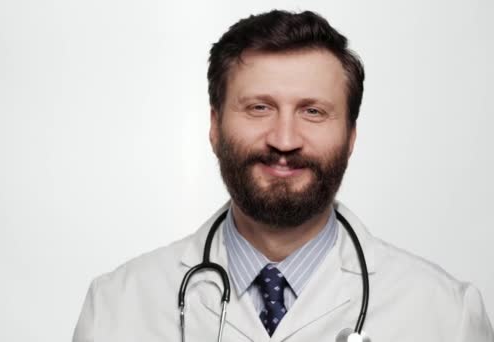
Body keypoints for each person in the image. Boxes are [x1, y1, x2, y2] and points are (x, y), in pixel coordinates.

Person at [72, 10, 493, 342]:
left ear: (350, 137)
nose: (285, 139)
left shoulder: (444, 316)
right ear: (215, 127)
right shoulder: (117, 306)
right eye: (259, 107)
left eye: (313, 111)